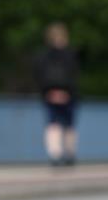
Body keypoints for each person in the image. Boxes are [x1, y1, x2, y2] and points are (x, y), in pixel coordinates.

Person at [33, 22, 79, 166]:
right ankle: (62, 155)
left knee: (59, 125)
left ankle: (61, 155)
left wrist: (50, 92)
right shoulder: (67, 55)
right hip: (60, 93)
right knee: (61, 125)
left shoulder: (44, 56)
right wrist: (62, 92)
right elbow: (72, 76)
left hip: (55, 93)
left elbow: (39, 76)